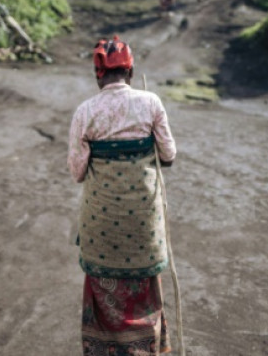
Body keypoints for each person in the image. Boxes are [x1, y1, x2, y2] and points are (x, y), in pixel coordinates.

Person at [68, 36, 177, 356]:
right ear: (130, 72)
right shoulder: (151, 103)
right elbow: (169, 155)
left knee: (103, 292)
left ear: (98, 75)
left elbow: (77, 172)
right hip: (144, 226)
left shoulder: (85, 112)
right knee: (145, 288)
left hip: (101, 227)